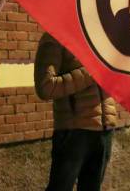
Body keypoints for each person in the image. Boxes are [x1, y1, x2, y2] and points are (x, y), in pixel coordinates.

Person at [35, 33, 117, 190]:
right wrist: (92, 73)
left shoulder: (100, 37)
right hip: (74, 131)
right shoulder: (54, 37)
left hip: (105, 129)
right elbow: (45, 87)